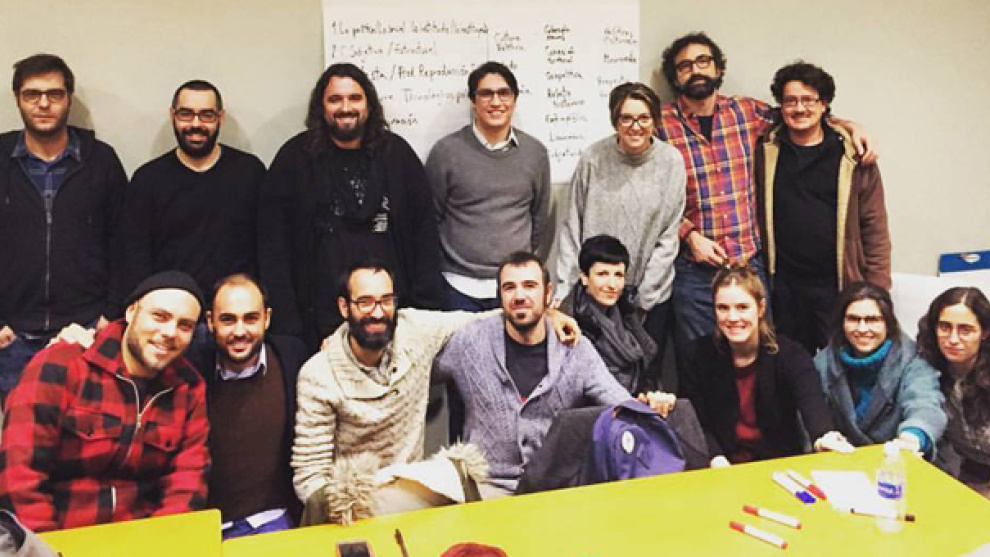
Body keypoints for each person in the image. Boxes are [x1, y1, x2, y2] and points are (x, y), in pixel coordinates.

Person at [656, 33, 875, 361]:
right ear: (675, 77)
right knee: (697, 361)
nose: (696, 70)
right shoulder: (659, 125)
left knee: (761, 361)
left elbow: (801, 113)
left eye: (703, 61)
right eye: (685, 66)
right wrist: (688, 235)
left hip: (750, 264)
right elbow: (648, 197)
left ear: (718, 69)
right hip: (694, 270)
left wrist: (849, 126)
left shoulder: (748, 112)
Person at [434, 252, 675, 496]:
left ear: (547, 293)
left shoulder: (574, 348)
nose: (519, 296)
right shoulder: (470, 342)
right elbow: (420, 358)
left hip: (554, 489)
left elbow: (617, 400)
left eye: (530, 286)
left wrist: (650, 404)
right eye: (509, 288)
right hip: (487, 487)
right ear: (500, 296)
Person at [0, 271, 210, 532]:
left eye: (185, 326)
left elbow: (187, 484)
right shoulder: (61, 365)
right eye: (160, 316)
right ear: (131, 312)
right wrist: (48, 547)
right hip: (59, 536)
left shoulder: (189, 388)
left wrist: (160, 543)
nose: (170, 332)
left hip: (143, 539)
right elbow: (20, 478)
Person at [260, 63, 441, 349]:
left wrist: (421, 312)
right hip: (316, 320)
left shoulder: (398, 156)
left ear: (368, 105)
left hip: (390, 316)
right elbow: (273, 246)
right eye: (335, 99)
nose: (346, 108)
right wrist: (289, 325)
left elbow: (425, 236)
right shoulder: (294, 159)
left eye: (355, 98)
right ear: (321, 107)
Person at [0, 54, 127, 401]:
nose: (43, 104)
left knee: (87, 432)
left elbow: (124, 243)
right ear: (17, 99)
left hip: (85, 332)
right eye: (32, 94)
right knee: (20, 433)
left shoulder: (101, 161)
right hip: (11, 338)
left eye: (54, 94)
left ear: (68, 99)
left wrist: (109, 316)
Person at [756, 62, 891, 354]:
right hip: (784, 287)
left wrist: (877, 292)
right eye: (791, 101)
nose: (799, 108)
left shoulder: (854, 156)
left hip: (837, 285)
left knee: (841, 365)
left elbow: (875, 227)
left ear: (824, 104)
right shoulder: (765, 149)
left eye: (809, 100)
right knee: (791, 363)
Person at [555, 82, 685, 371]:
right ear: (615, 121)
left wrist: (642, 301)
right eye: (626, 118)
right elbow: (572, 227)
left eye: (643, 118)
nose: (635, 127)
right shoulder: (593, 158)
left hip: (648, 300)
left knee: (643, 378)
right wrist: (567, 291)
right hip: (594, 299)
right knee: (591, 379)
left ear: (655, 120)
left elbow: (668, 237)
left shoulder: (671, 162)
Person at [678, 264, 847, 465]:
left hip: (776, 465)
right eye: (723, 308)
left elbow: (812, 404)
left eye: (742, 307)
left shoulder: (791, 355)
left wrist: (824, 436)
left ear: (760, 308)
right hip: (719, 466)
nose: (732, 317)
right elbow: (696, 421)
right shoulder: (696, 354)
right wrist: (716, 458)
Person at [121, 80, 265, 299]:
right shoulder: (147, 180)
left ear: (221, 117)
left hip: (235, 307)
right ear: (172, 116)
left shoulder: (250, 172)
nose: (196, 124)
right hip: (172, 308)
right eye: (186, 114)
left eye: (207, 115)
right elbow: (134, 258)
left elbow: (268, 249)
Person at [426, 61, 551, 312]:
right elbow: (431, 217)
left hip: (515, 286)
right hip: (457, 286)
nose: (496, 102)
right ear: (473, 101)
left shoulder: (535, 153)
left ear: (514, 99)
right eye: (486, 94)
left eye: (503, 93)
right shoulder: (446, 152)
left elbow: (538, 217)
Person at [198, 274, 308, 538]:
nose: (239, 332)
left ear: (266, 319)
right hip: (209, 526)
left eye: (250, 318)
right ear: (210, 321)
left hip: (275, 520)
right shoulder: (191, 370)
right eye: (228, 320)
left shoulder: (292, 358)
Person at [815, 282, 946, 457]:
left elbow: (925, 403)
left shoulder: (913, 359)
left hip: (897, 459)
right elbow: (811, 417)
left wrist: (913, 437)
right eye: (853, 319)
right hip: (840, 460)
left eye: (872, 320)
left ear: (888, 323)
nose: (862, 329)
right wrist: (822, 439)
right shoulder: (823, 363)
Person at [560, 235, 658, 393]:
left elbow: (646, 365)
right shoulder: (570, 321)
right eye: (602, 274)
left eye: (618, 275)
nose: (612, 285)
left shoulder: (626, 311)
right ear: (584, 278)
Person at [917, 287, 990, 496]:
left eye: (965, 330)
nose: (953, 339)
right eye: (945, 327)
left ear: (984, 333)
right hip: (965, 472)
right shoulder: (926, 367)